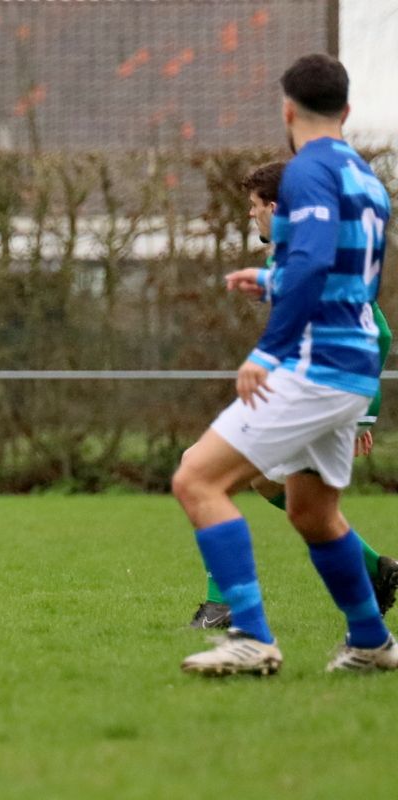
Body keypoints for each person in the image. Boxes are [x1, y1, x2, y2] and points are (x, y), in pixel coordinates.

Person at [171, 53, 396, 675]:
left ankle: (250, 636)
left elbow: (316, 260)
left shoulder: (307, 173)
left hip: (316, 364)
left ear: (287, 109)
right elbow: (345, 277)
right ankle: (371, 641)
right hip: (352, 369)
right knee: (312, 513)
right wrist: (273, 281)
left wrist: (267, 352)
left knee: (197, 479)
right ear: (347, 110)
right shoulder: (367, 179)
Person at [188, 160, 398, 628]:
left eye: (253, 206)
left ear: (277, 207)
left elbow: (375, 333)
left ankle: (225, 607)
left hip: (314, 400)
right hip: (304, 397)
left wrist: (360, 413)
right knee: (278, 491)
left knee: (202, 473)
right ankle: (374, 574)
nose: (250, 215)